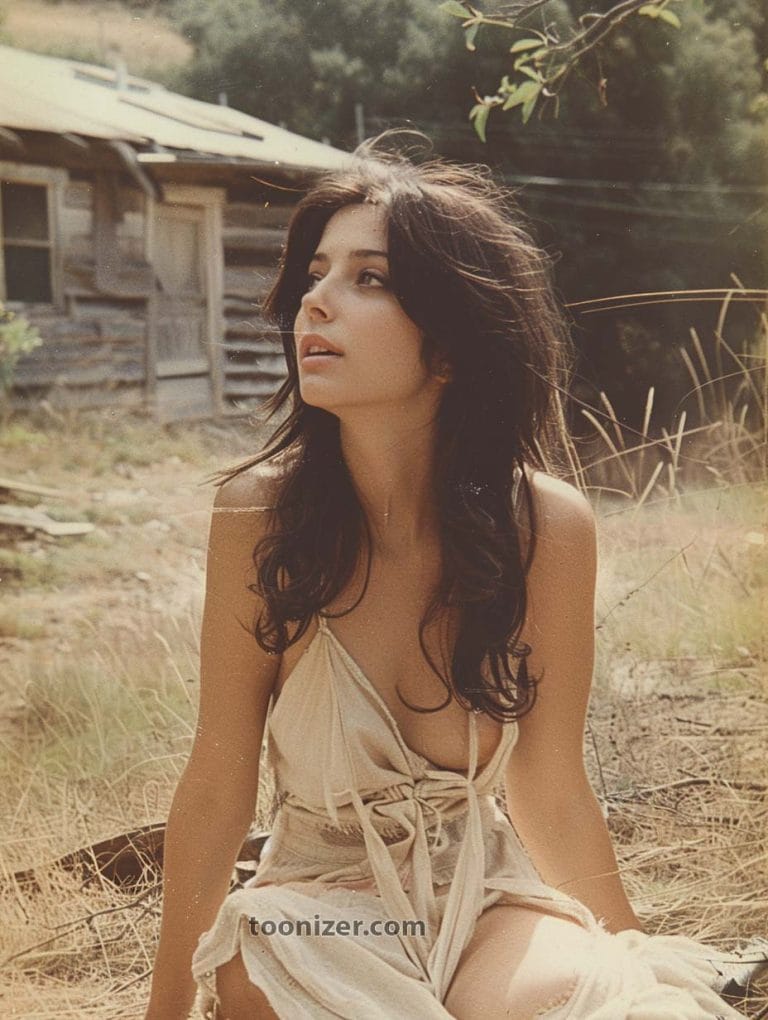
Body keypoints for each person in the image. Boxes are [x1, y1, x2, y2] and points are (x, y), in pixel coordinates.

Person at [145, 133, 755, 1019]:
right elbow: (216, 779)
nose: (314, 304)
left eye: (368, 279)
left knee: (615, 1005)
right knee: (273, 961)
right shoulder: (261, 513)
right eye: (315, 274)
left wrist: (639, 955)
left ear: (454, 343)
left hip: (483, 898)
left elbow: (548, 783)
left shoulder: (545, 526)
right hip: (318, 909)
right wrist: (165, 1010)